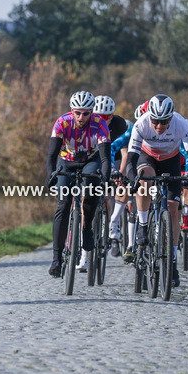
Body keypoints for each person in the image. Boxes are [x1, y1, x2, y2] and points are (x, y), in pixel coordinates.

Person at [127, 94, 188, 288]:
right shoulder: (141, 124)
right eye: (156, 121)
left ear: (171, 118)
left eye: (164, 122)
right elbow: (131, 159)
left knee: (172, 210)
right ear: (149, 116)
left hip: (171, 161)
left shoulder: (182, 124)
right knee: (144, 180)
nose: (159, 126)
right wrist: (131, 179)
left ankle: (173, 261)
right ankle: (143, 226)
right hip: (148, 157)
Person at [45, 90, 112, 278]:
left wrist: (104, 178)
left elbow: (105, 159)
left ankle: (87, 228)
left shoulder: (100, 124)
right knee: (63, 204)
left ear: (91, 112)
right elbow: (51, 155)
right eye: (77, 113)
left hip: (91, 159)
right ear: (71, 111)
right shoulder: (61, 123)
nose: (81, 117)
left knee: (92, 185)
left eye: (86, 113)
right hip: (67, 161)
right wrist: (50, 176)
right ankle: (57, 259)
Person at [77, 95, 128, 271]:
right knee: (86, 199)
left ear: (111, 117)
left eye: (106, 117)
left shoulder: (120, 125)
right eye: (99, 115)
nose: (102, 119)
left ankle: (111, 225)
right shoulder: (89, 123)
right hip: (94, 157)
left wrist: (119, 173)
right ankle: (84, 253)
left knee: (110, 193)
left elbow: (125, 152)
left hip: (114, 157)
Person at [113, 100, 149, 261]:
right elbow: (125, 155)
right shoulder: (134, 130)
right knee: (134, 202)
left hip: (157, 165)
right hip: (137, 165)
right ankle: (129, 244)